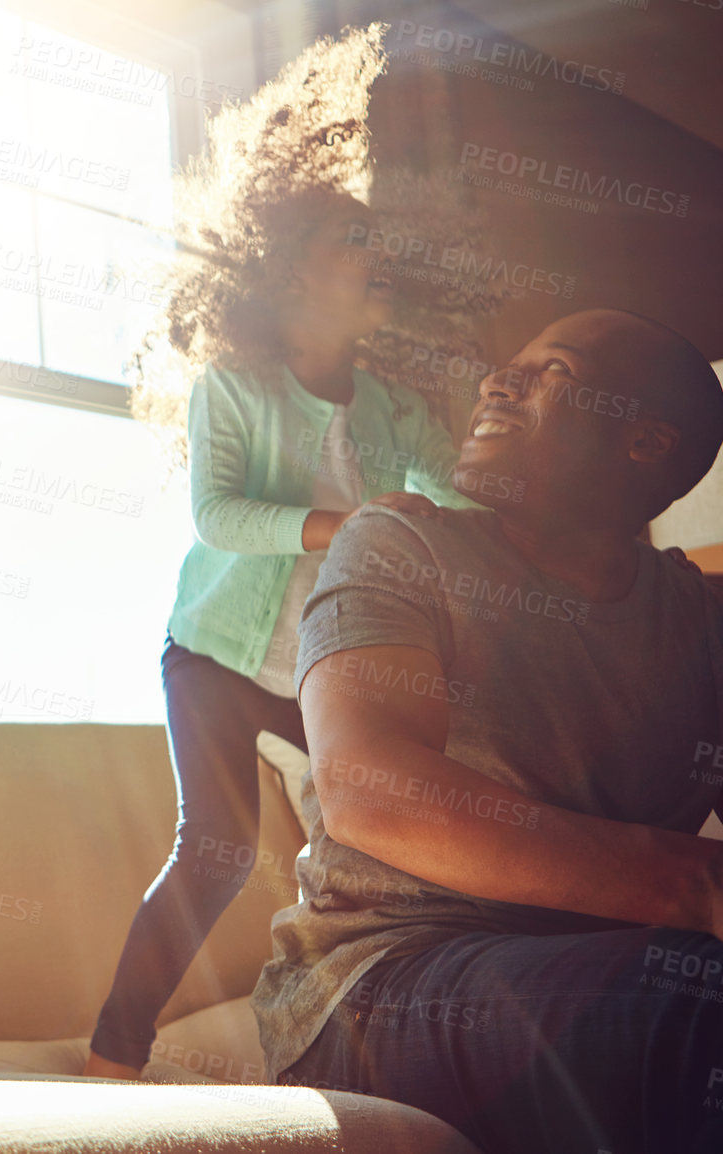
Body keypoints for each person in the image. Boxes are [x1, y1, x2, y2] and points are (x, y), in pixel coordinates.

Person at [253, 307, 723, 1152]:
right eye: (511, 366)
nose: (497, 381)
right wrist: (706, 885)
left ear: (645, 442)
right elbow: (371, 794)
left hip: (603, 970)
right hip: (378, 983)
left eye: (555, 372)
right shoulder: (398, 544)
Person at [82, 181, 485, 1078]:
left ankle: (348, 1037)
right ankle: (112, 1057)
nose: (377, 255)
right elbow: (218, 514)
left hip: (319, 674)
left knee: (376, 847)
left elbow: (462, 502)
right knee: (217, 854)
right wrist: (347, 526)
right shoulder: (233, 387)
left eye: (378, 239)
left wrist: (490, 463)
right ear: (292, 270)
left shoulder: (394, 412)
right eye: (353, 239)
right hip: (213, 657)